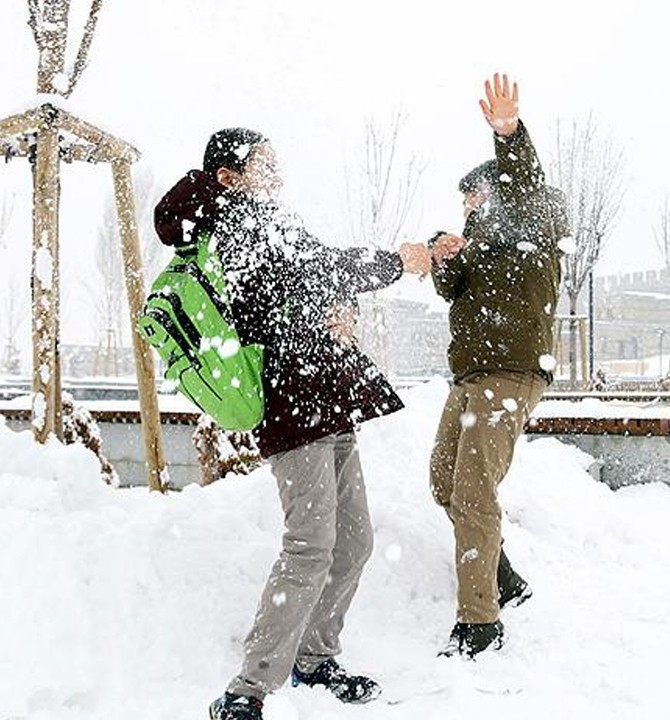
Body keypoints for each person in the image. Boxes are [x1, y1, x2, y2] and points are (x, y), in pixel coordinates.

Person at [153, 128, 432, 720]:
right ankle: (247, 689)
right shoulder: (231, 224)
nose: (278, 174)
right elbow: (309, 275)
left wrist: (340, 309)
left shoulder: (269, 219)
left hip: (326, 396)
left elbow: (309, 284)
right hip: (291, 406)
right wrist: (394, 263)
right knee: (310, 545)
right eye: (265, 164)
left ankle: (315, 657)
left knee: (354, 540)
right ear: (229, 177)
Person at [427, 73, 568, 658]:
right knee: (444, 480)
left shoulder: (533, 220)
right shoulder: (479, 245)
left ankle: (480, 623)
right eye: (464, 203)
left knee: (473, 491)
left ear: (499, 193)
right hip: (471, 375)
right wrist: (442, 255)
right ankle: (503, 576)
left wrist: (508, 133)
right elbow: (450, 290)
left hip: (511, 373)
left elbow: (524, 181)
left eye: (475, 198)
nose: (468, 208)